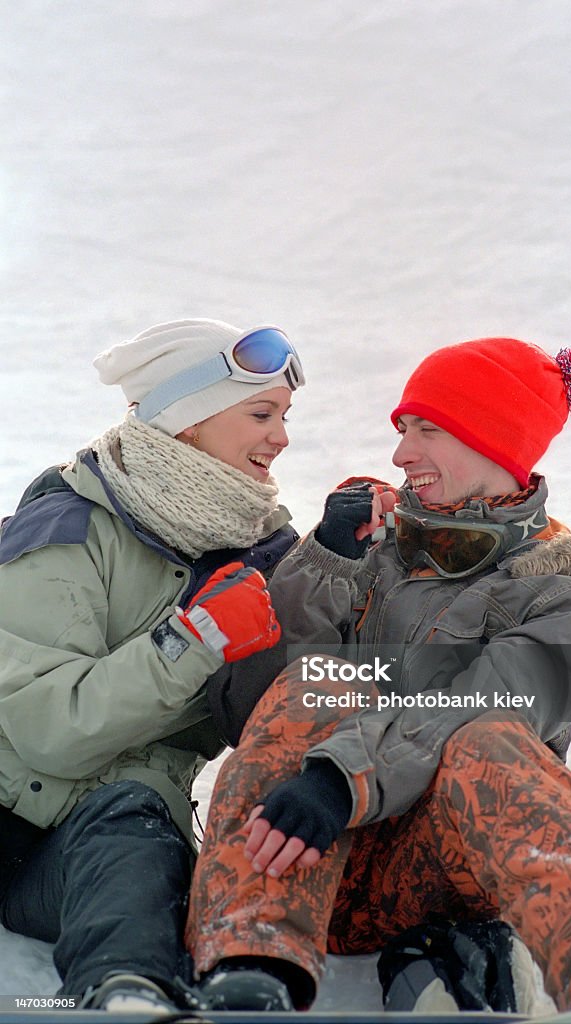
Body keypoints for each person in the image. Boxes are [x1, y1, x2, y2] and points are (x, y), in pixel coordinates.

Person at [185, 335, 571, 1014]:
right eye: (402, 431)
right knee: (314, 683)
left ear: (493, 441)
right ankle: (249, 966)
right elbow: (243, 711)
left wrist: (340, 775)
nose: (400, 454)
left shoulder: (565, 600)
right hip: (303, 861)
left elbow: (484, 704)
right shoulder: (367, 550)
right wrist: (323, 568)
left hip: (447, 872)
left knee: (489, 732)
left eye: (426, 430)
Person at [0, 318, 305, 1014]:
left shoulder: (261, 553)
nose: (282, 436)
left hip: (105, 841)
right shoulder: (65, 527)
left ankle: (126, 994)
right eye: (261, 413)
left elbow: (293, 704)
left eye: (285, 416)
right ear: (189, 422)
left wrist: (342, 570)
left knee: (135, 826)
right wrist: (192, 638)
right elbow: (52, 729)